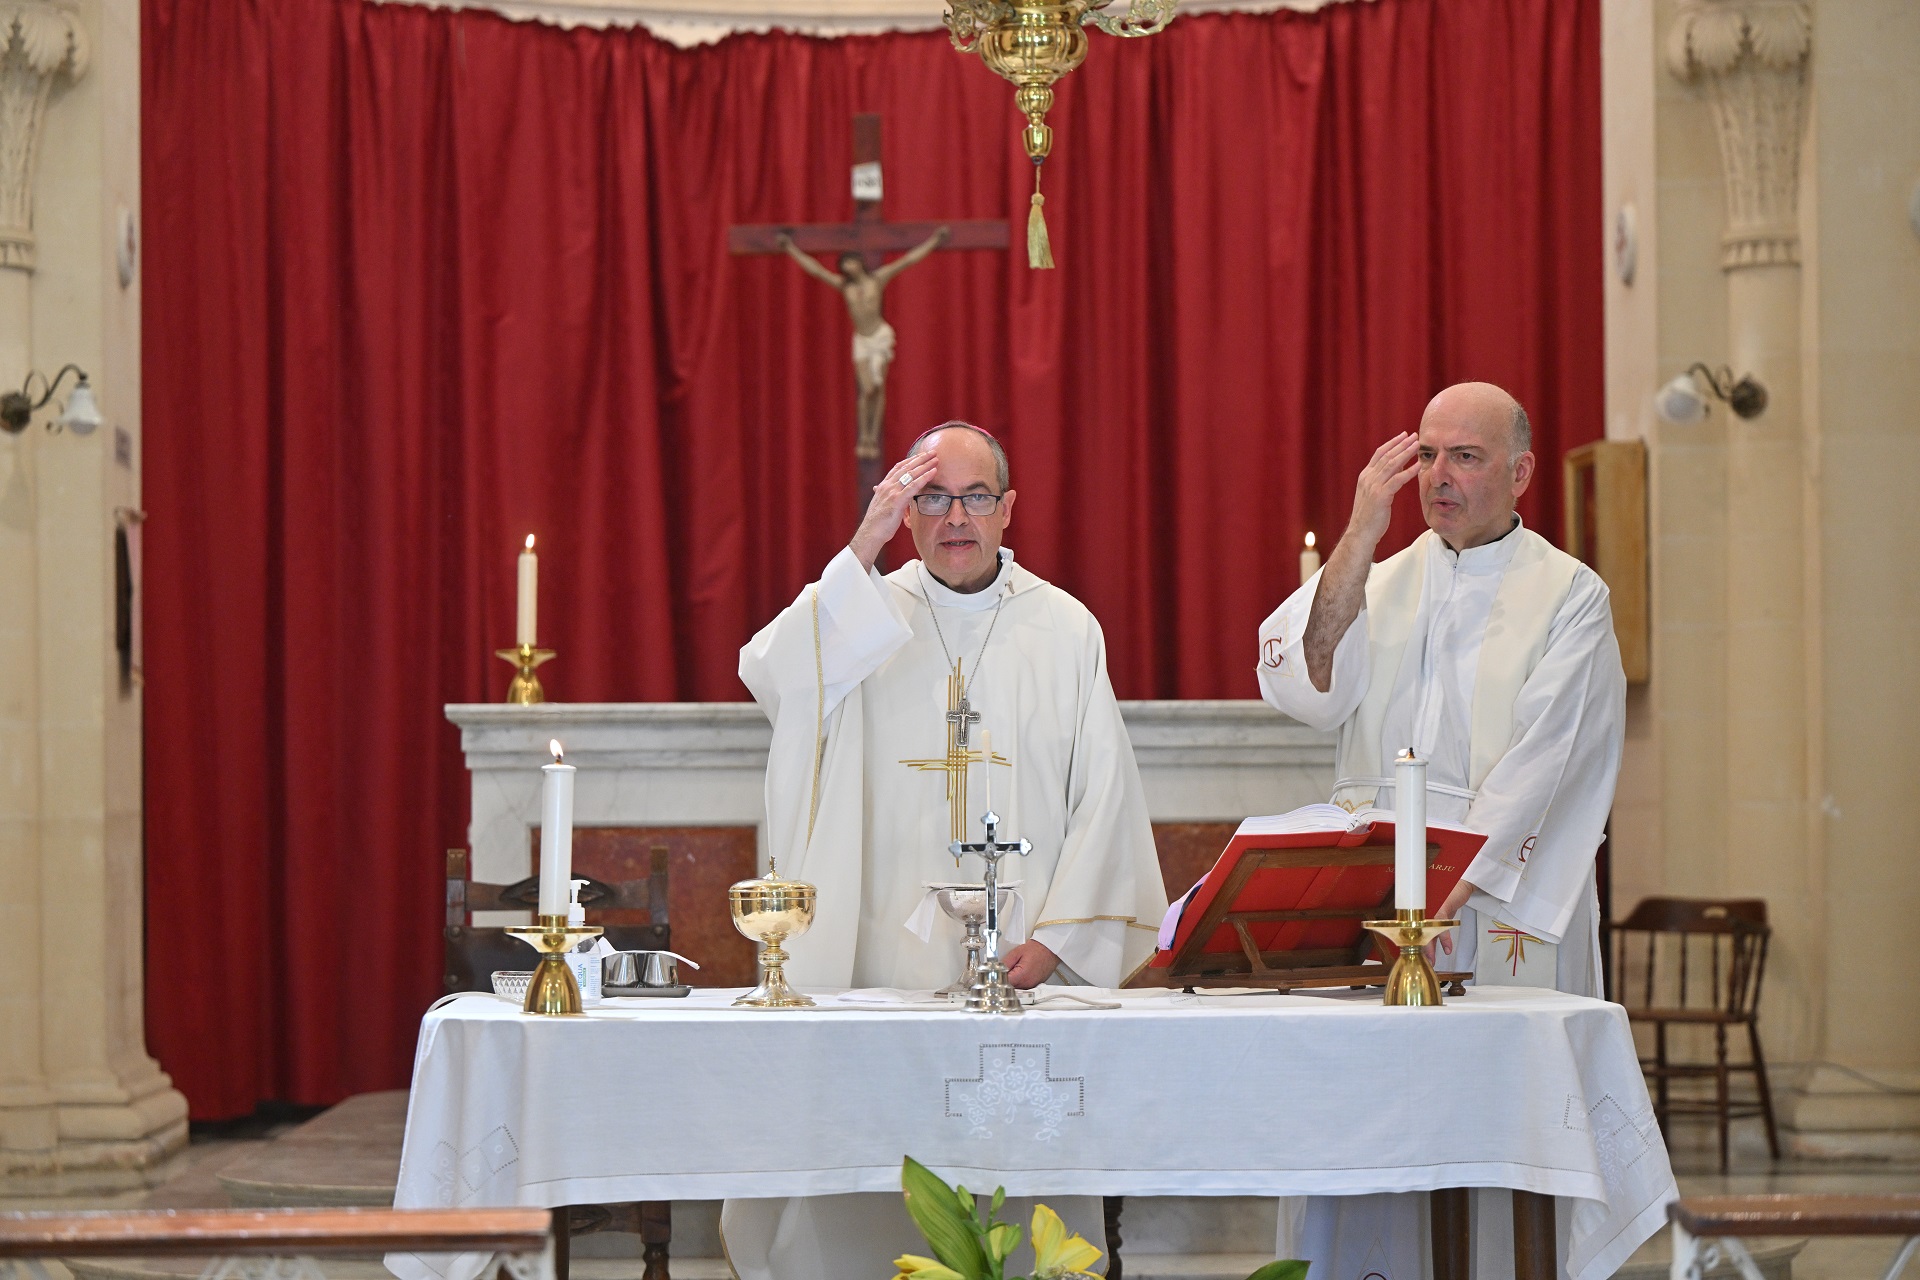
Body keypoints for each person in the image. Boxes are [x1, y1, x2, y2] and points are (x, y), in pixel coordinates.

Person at [725, 420, 1168, 1280]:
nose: (953, 517)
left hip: (1020, 972)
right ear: (905, 508)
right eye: (930, 496)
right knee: (870, 1197)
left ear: (1008, 510)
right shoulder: (864, 611)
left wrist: (1060, 939)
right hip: (876, 964)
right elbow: (773, 673)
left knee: (1022, 1199)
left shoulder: (1066, 629)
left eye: (972, 497)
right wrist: (863, 542)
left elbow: (1106, 796)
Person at [1257, 381, 1627, 1277]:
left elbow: (1549, 761)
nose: (1439, 476)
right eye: (1426, 454)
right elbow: (1305, 688)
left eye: (1466, 455)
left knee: (1499, 1136)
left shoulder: (1569, 596)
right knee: (1366, 1128)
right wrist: (1357, 534)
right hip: (1373, 898)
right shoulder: (1376, 579)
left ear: (1521, 472)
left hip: (1489, 904)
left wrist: (1436, 892)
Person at [775, 227, 949, 462]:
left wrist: (934, 240)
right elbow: (815, 270)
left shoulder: (877, 279)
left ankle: (871, 437)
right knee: (867, 389)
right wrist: (790, 248)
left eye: (851, 262)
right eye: (844, 264)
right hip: (862, 340)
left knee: (879, 389)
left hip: (880, 336)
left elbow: (908, 260)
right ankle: (864, 435)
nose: (848, 267)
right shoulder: (844, 286)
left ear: (859, 263)